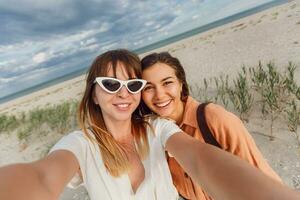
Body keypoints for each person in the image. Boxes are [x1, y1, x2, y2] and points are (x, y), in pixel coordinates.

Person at [0, 49, 299, 200]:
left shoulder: (157, 129)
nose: (122, 92)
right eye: (110, 83)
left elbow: (200, 159)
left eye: (132, 84)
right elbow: (40, 176)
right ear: (93, 93)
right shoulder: (81, 145)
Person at [141, 52, 282, 200]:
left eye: (167, 83)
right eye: (148, 88)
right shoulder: (152, 134)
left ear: (181, 84)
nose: (159, 95)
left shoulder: (213, 118)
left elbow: (260, 175)